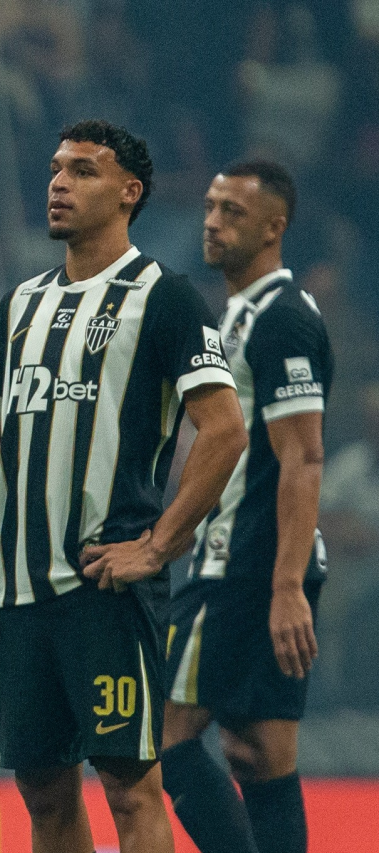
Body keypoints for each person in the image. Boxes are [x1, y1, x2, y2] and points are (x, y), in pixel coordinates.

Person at [0, 119, 248, 853]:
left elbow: (225, 429)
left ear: (129, 192)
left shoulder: (166, 297)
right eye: (56, 168)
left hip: (104, 592)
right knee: (45, 793)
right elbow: (6, 440)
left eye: (82, 170)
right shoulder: (19, 304)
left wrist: (156, 546)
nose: (58, 182)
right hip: (20, 596)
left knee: (129, 786)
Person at [161, 160, 332, 853]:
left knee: (165, 740)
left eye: (232, 211)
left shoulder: (284, 319)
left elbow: (304, 455)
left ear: (274, 226)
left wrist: (286, 584)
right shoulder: (238, 314)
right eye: (209, 206)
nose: (212, 221)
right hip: (254, 561)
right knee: (257, 754)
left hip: (245, 565)